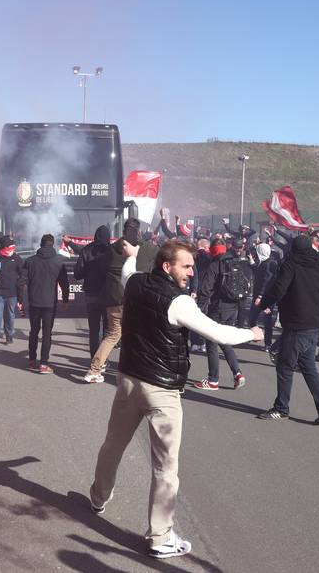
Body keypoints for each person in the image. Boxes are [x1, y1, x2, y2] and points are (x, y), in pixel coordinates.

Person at [88, 240, 262, 560]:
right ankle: (160, 536)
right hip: (161, 391)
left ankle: (98, 497)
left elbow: (128, 269)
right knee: (166, 467)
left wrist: (133, 254)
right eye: (186, 266)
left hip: (128, 379)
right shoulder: (179, 302)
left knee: (113, 443)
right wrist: (252, 333)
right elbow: (219, 334)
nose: (191, 272)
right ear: (167, 267)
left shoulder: (136, 282)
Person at [257, 234, 319, 424]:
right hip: (313, 323)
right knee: (308, 367)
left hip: (296, 323)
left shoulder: (291, 264)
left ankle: (281, 408)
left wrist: (264, 302)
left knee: (284, 366)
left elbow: (279, 288)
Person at [193, 238, 253, 390]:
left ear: (213, 250)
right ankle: (237, 373)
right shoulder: (236, 262)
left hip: (217, 308)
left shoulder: (215, 264)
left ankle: (213, 380)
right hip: (233, 307)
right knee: (224, 340)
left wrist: (198, 309)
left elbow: (206, 289)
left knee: (211, 341)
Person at [84, 220, 136, 383]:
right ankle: (131, 372)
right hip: (130, 299)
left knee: (112, 335)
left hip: (112, 299)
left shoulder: (110, 251)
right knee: (133, 335)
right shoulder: (138, 251)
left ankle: (95, 369)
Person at [21, 234, 69, 373]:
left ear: (41, 244)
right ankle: (43, 363)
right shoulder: (58, 261)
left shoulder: (30, 261)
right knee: (47, 333)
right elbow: (64, 284)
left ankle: (31, 359)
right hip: (49, 303)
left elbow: (21, 281)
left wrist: (19, 299)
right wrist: (65, 300)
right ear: (52, 244)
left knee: (34, 331)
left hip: (34, 301)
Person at [76, 225, 114, 357]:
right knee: (107, 329)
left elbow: (78, 274)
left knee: (93, 329)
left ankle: (94, 358)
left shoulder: (86, 250)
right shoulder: (111, 250)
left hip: (91, 293)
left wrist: (88, 272)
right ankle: (103, 360)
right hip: (108, 294)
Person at [251, 241, 281, 359]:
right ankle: (260, 337)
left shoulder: (270, 263)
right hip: (260, 296)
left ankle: (267, 343)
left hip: (265, 297)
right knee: (254, 318)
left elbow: (266, 282)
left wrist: (260, 296)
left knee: (265, 320)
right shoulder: (263, 262)